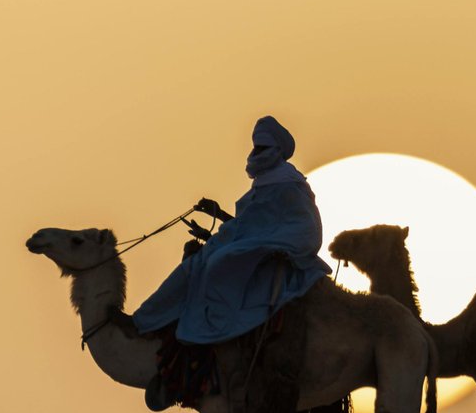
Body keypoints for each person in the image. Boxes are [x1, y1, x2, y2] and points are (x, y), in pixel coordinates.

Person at [133, 114, 331, 355]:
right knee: (194, 264)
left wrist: (283, 246)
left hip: (276, 249)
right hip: (253, 243)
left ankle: (216, 326)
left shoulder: (289, 185)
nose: (256, 153)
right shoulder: (264, 183)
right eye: (256, 147)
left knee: (219, 261)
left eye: (263, 148)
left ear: (277, 150)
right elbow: (251, 225)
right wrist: (218, 216)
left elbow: (307, 227)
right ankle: (146, 320)